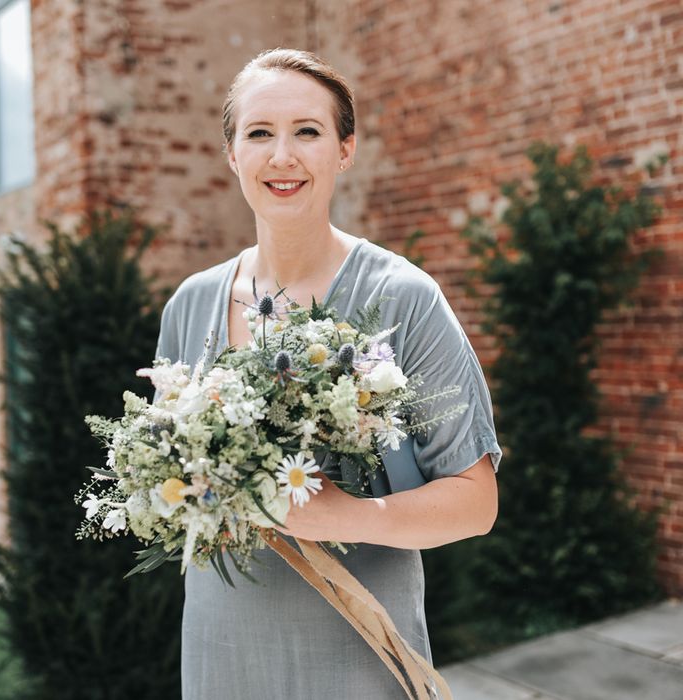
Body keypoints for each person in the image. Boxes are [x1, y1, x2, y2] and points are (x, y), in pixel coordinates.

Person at [154, 47, 502, 700]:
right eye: (259, 133)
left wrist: (346, 514)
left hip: (358, 655)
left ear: (345, 149)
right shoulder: (189, 305)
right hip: (221, 654)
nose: (281, 156)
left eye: (306, 132)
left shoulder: (403, 298)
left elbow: (475, 501)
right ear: (232, 154)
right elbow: (177, 484)